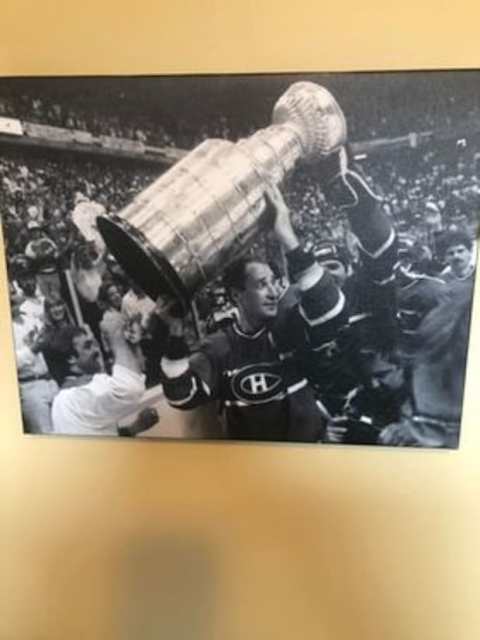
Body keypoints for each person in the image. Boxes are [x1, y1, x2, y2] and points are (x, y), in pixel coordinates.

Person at [158, 176, 349, 443]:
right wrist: (175, 332)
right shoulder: (218, 348)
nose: (272, 291)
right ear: (237, 295)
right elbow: (182, 396)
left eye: (273, 282)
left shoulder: (289, 330)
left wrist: (286, 236)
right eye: (261, 284)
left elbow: (332, 310)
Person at [51, 313, 156, 437]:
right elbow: (131, 389)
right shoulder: (81, 393)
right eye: (87, 346)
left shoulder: (60, 401)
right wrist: (116, 336)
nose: (96, 350)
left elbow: (98, 435)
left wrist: (135, 427)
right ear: (71, 359)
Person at [10, 283, 59, 434]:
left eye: (12, 293)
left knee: (66, 429)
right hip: (29, 386)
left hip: (50, 380)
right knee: (48, 439)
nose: (12, 297)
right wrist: (33, 349)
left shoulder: (31, 318)